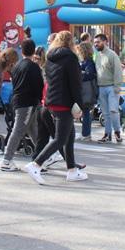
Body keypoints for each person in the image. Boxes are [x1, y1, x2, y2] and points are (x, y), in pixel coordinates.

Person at [24, 31, 88, 185]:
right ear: (71, 42)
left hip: (51, 100)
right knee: (60, 139)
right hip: (64, 102)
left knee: (70, 137)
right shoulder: (71, 58)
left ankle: (72, 170)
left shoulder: (51, 56)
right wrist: (82, 106)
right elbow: (75, 84)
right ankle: (35, 165)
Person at [0, 39, 43, 171]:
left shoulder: (17, 66)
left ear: (22, 51)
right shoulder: (34, 66)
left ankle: (42, 157)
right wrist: (39, 99)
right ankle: (6, 160)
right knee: (18, 131)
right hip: (28, 102)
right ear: (34, 50)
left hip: (19, 100)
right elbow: (39, 85)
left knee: (33, 130)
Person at [93, 33, 124, 143]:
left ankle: (117, 133)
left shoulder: (112, 55)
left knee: (113, 111)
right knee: (105, 113)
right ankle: (107, 134)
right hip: (101, 87)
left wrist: (117, 86)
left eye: (98, 42)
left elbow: (118, 71)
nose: (96, 44)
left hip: (112, 87)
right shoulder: (97, 55)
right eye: (95, 42)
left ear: (105, 42)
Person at [77, 41, 97, 142]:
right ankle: (85, 133)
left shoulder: (88, 62)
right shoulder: (87, 61)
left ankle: (86, 134)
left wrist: (79, 72)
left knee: (86, 112)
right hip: (86, 90)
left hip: (87, 90)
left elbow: (89, 75)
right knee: (85, 112)